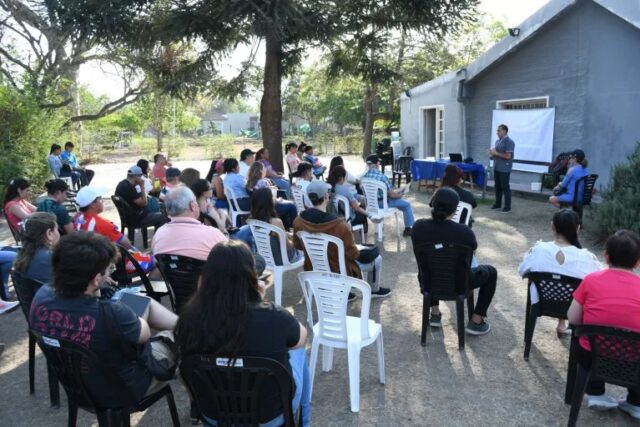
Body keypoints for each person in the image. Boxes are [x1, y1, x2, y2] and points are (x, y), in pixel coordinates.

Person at [175, 240, 311, 426]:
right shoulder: (274, 316)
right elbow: (301, 338)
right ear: (252, 277)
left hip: (214, 416)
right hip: (270, 417)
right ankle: (304, 422)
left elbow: (185, 372)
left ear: (206, 277)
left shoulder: (189, 318)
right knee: (298, 351)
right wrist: (261, 301)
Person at [29, 232, 179, 401]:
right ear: (95, 279)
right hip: (122, 388)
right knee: (179, 337)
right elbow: (143, 334)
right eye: (109, 269)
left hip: (76, 385)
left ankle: (186, 325)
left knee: (142, 302)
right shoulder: (110, 313)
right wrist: (134, 309)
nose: (109, 275)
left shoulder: (42, 296)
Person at [567, 230, 640, 418]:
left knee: (586, 340)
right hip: (634, 361)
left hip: (593, 356)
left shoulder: (591, 280)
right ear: (638, 262)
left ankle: (595, 391)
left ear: (606, 256)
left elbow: (573, 318)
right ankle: (636, 401)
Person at [412, 187, 497, 335]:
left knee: (429, 266)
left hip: (428, 283)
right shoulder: (464, 232)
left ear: (433, 204)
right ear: (455, 210)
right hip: (460, 284)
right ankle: (476, 320)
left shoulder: (418, 227)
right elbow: (472, 253)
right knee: (491, 272)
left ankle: (435, 313)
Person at [293, 180, 389, 299]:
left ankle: (344, 292)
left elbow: (297, 245)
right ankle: (374, 290)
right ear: (326, 196)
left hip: (314, 268)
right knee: (377, 259)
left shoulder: (299, 221)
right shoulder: (339, 225)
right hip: (339, 270)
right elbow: (353, 254)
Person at [519, 209, 602, 336]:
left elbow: (522, 270)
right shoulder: (586, 258)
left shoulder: (538, 250)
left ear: (552, 226)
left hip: (542, 302)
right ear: (578, 228)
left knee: (558, 275)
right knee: (570, 281)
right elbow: (599, 279)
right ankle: (563, 325)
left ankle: (560, 325)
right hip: (573, 307)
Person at [152, 186, 228, 261]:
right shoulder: (213, 234)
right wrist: (224, 231)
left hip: (169, 269)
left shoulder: (159, 234)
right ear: (192, 205)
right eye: (196, 201)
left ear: (167, 210)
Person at [362, 155, 415, 237]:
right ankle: (408, 229)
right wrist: (401, 195)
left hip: (371, 204)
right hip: (383, 204)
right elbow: (392, 195)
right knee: (407, 205)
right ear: (377, 164)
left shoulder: (364, 177)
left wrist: (397, 192)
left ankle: (379, 229)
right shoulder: (382, 177)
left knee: (398, 200)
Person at [250, 188, 302, 265]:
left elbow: (274, 236)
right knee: (303, 247)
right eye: (273, 197)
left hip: (264, 259)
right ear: (269, 202)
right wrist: (297, 241)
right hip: (282, 260)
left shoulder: (252, 221)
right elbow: (288, 247)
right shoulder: (276, 222)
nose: (275, 199)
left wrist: (287, 234)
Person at [246, 162, 298, 230]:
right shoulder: (263, 182)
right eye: (264, 168)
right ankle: (294, 228)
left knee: (286, 204)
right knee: (292, 205)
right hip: (268, 209)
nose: (266, 170)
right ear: (261, 171)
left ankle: (286, 228)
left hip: (257, 209)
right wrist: (279, 200)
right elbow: (270, 200)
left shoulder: (248, 183)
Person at [13, 212, 59, 285]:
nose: (58, 233)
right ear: (49, 233)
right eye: (57, 229)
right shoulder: (51, 258)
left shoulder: (23, 254)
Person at [488, 124, 515, 213]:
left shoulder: (509, 142)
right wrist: (491, 155)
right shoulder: (497, 141)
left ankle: (507, 207)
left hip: (504, 168)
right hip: (497, 167)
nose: (497, 132)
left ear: (504, 131)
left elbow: (508, 156)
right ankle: (497, 204)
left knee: (505, 187)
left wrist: (495, 153)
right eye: (497, 131)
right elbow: (496, 155)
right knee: (497, 187)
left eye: (499, 131)